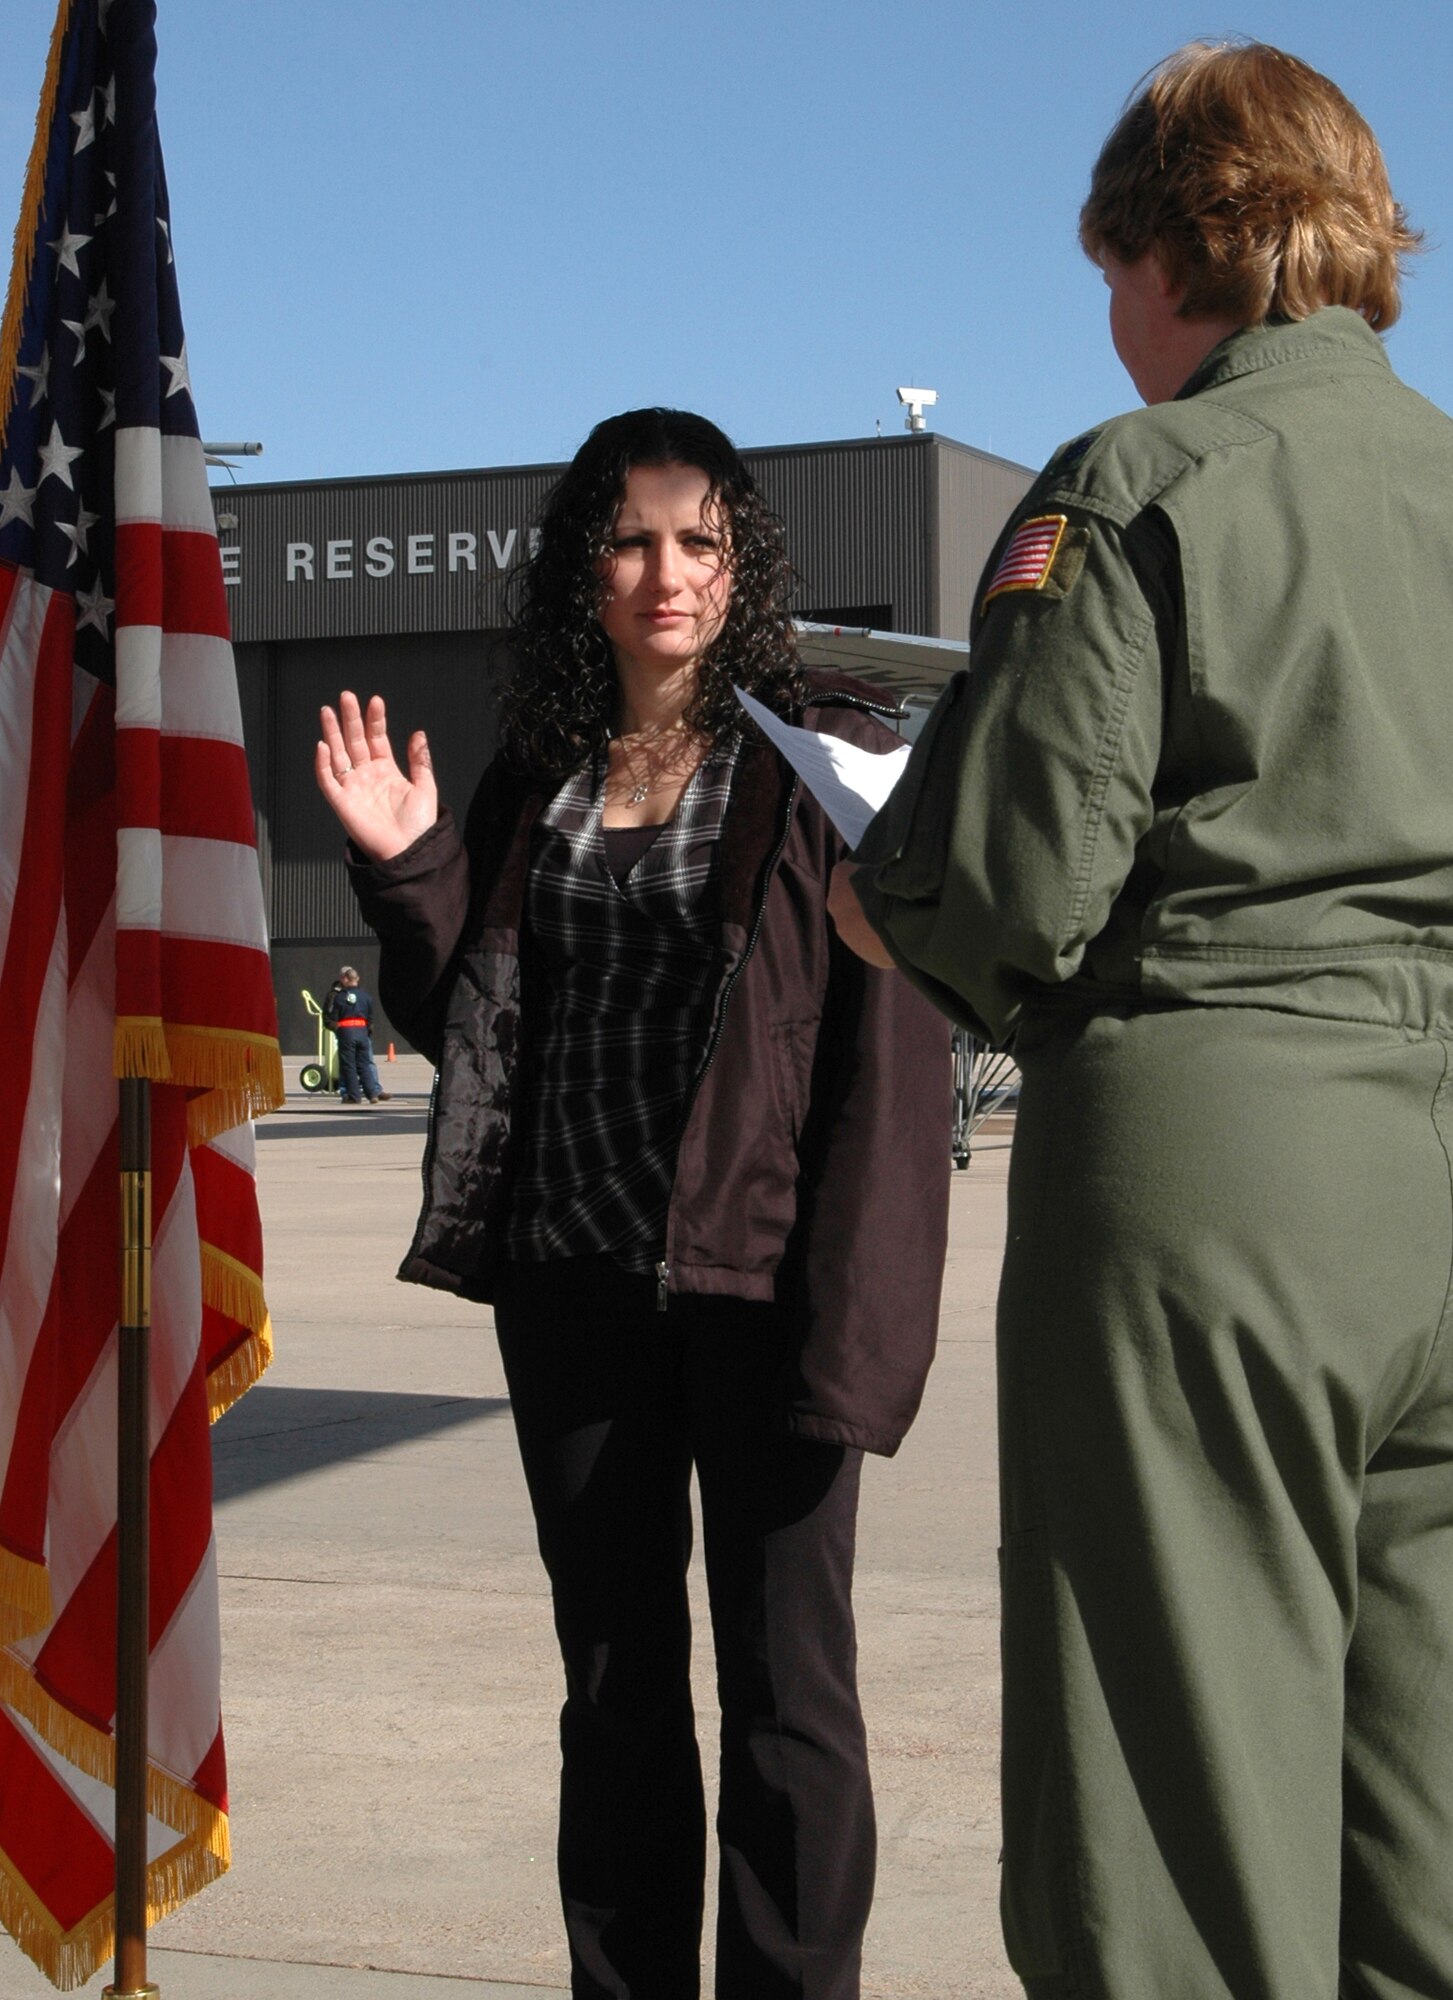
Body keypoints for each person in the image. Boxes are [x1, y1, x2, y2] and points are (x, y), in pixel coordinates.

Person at [834, 41, 1453, 2000]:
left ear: (1178, 244)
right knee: (1415, 1799)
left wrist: (877, 899)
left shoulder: (1138, 477)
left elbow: (1014, 884)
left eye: (1106, 268)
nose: (1103, 319)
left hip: (1218, 1160)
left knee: (1171, 1802)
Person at [313, 407, 952, 2000]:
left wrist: (863, 1333)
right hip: (573, 1283)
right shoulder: (542, 774)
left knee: (789, 1696)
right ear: (580, 571)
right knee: (612, 1684)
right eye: (630, 539)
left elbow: (894, 1061)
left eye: (699, 540)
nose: (666, 572)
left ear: (742, 567)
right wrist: (409, 869)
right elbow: (472, 1017)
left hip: (763, 1293)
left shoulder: (835, 753)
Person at [323, 963, 388, 1104]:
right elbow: (370, 1017)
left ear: (346, 979)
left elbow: (332, 1017)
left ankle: (354, 1096)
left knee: (349, 1065)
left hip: (346, 1033)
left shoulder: (339, 997)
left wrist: (336, 1028)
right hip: (362, 1033)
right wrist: (367, 1031)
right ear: (357, 979)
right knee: (364, 1064)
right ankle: (372, 1094)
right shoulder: (366, 997)